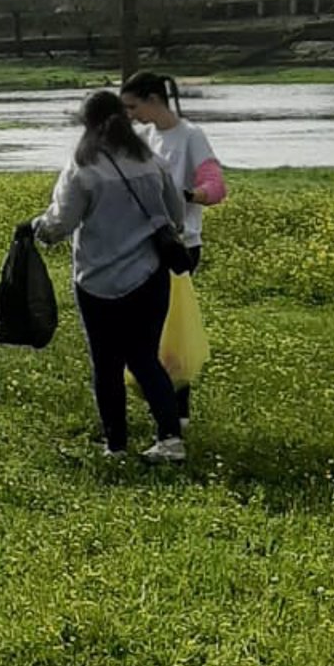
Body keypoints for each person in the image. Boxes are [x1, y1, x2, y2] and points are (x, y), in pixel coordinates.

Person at [32, 89, 189, 463]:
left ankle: (115, 446)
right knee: (145, 358)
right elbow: (177, 216)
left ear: (86, 123)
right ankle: (170, 439)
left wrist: (38, 227)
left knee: (106, 364)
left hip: (96, 280)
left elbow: (60, 224)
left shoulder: (82, 166)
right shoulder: (150, 159)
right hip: (150, 276)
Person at [121, 68, 227, 419]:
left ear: (154, 100)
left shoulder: (191, 136)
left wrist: (185, 195)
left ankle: (178, 409)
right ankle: (159, 400)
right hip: (146, 243)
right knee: (149, 327)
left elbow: (216, 188)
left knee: (171, 326)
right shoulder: (145, 137)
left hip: (180, 244)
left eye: (134, 107)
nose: (131, 116)